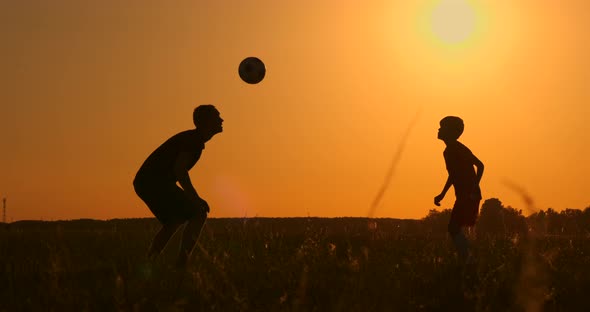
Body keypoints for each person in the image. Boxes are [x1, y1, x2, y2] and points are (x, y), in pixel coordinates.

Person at [133, 104, 223, 268]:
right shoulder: (193, 140)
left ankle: (151, 262)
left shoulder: (194, 140)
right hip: (152, 182)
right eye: (217, 117)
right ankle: (181, 264)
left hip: (147, 182)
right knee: (199, 212)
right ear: (206, 122)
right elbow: (180, 169)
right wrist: (195, 198)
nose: (222, 120)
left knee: (174, 220)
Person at [434, 116, 484, 264]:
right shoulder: (448, 151)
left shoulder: (458, 148)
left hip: (469, 195)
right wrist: (442, 194)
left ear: (450, 132)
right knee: (456, 228)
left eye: (442, 128)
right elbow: (453, 175)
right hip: (463, 194)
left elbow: (480, 165)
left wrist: (474, 186)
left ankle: (469, 258)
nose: (439, 129)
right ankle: (468, 258)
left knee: (454, 228)